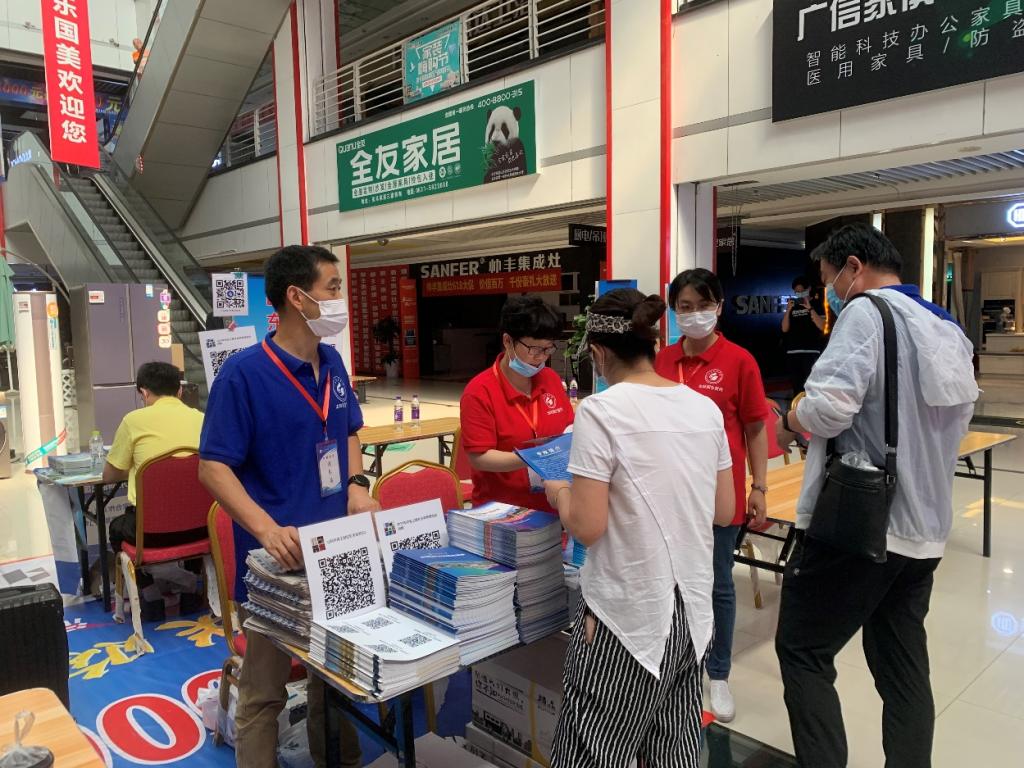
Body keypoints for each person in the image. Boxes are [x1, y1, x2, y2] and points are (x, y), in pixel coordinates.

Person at [774, 223, 978, 768]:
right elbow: (956, 423)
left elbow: (828, 409)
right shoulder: (945, 325)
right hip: (925, 529)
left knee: (803, 650)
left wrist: (792, 416)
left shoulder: (867, 312)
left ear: (854, 267)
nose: (830, 292)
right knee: (902, 666)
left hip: (862, 521)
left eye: (829, 280)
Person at [198, 245, 377, 768]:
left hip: (336, 548)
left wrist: (357, 484)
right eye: (333, 288)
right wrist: (266, 528)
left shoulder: (332, 362)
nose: (341, 298)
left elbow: (348, 431)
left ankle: (339, 760)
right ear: (297, 298)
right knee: (264, 694)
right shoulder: (243, 375)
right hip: (276, 563)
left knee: (336, 678)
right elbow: (213, 468)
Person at [543, 288, 734, 768]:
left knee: (594, 751)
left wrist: (559, 492)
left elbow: (588, 527)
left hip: (625, 619)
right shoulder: (705, 409)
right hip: (691, 616)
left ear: (598, 352)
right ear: (652, 344)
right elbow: (725, 509)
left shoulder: (600, 412)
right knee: (673, 749)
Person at [654, 268, 769, 722]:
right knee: (669, 582)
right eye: (684, 307)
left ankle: (717, 674)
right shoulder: (663, 361)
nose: (694, 314)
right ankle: (673, 665)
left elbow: (756, 427)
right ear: (673, 311)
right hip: (667, 496)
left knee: (719, 583)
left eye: (703, 305)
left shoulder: (739, 361)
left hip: (720, 497)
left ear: (719, 307)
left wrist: (759, 486)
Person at [460, 296, 574, 511]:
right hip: (503, 511)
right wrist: (533, 458)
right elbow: (479, 457)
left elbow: (568, 429)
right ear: (508, 341)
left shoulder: (550, 379)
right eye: (534, 349)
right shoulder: (480, 392)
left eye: (548, 349)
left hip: (553, 505)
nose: (541, 357)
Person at [104, 361, 205, 555]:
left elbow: (109, 476)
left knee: (117, 527)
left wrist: (138, 468)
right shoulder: (201, 418)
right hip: (202, 528)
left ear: (144, 393)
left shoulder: (132, 420)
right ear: (180, 391)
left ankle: (141, 575)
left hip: (151, 534)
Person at [780, 276, 825, 398]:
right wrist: (788, 310)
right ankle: (797, 408)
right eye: (796, 292)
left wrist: (810, 308)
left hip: (811, 351)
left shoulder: (816, 304)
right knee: (797, 387)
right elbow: (784, 328)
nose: (799, 294)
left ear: (808, 289)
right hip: (793, 351)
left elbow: (822, 326)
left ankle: (812, 407)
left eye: (801, 291)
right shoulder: (793, 306)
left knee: (811, 386)